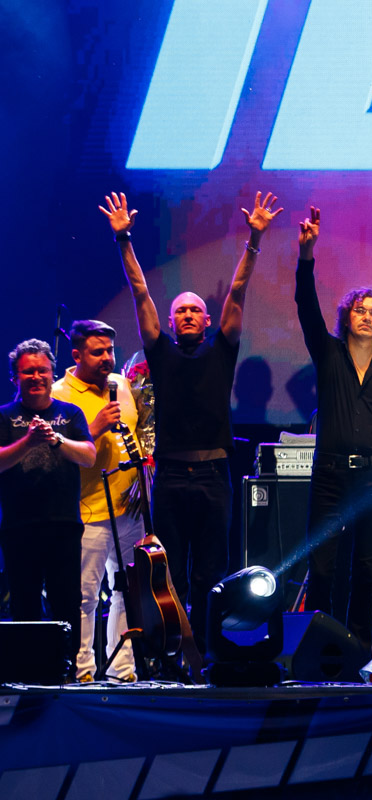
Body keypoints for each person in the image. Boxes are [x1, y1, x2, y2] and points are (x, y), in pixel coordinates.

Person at [100, 190, 281, 656]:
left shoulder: (222, 349)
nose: (185, 314)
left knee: (210, 574)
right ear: (171, 319)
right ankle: (173, 656)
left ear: (206, 319)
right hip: (172, 475)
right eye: (179, 309)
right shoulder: (159, 352)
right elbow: (141, 291)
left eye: (194, 309)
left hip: (214, 474)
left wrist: (255, 240)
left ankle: (207, 654)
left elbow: (237, 292)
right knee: (170, 575)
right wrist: (124, 240)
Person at [294, 207, 372, 649]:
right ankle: (318, 653)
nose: (367, 316)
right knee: (323, 569)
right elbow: (305, 307)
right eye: (359, 310)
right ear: (347, 316)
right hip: (330, 477)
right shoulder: (328, 354)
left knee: (367, 570)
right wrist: (306, 255)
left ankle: (360, 653)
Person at [51, 320, 146, 682]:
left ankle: (122, 668)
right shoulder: (59, 393)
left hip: (130, 510)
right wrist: (95, 426)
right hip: (88, 509)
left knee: (129, 591)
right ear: (76, 355)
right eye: (97, 352)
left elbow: (137, 433)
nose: (107, 358)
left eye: (110, 350)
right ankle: (82, 670)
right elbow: (54, 453)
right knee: (85, 596)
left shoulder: (121, 385)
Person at [0, 339, 96, 678]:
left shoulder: (70, 413)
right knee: (24, 602)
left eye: (42, 370)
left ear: (52, 373)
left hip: (63, 524)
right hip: (19, 525)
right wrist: (29, 441)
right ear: (15, 376)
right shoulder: (4, 415)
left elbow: (89, 456)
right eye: (28, 371)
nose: (36, 377)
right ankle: (27, 673)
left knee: (67, 601)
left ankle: (66, 672)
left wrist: (56, 439)